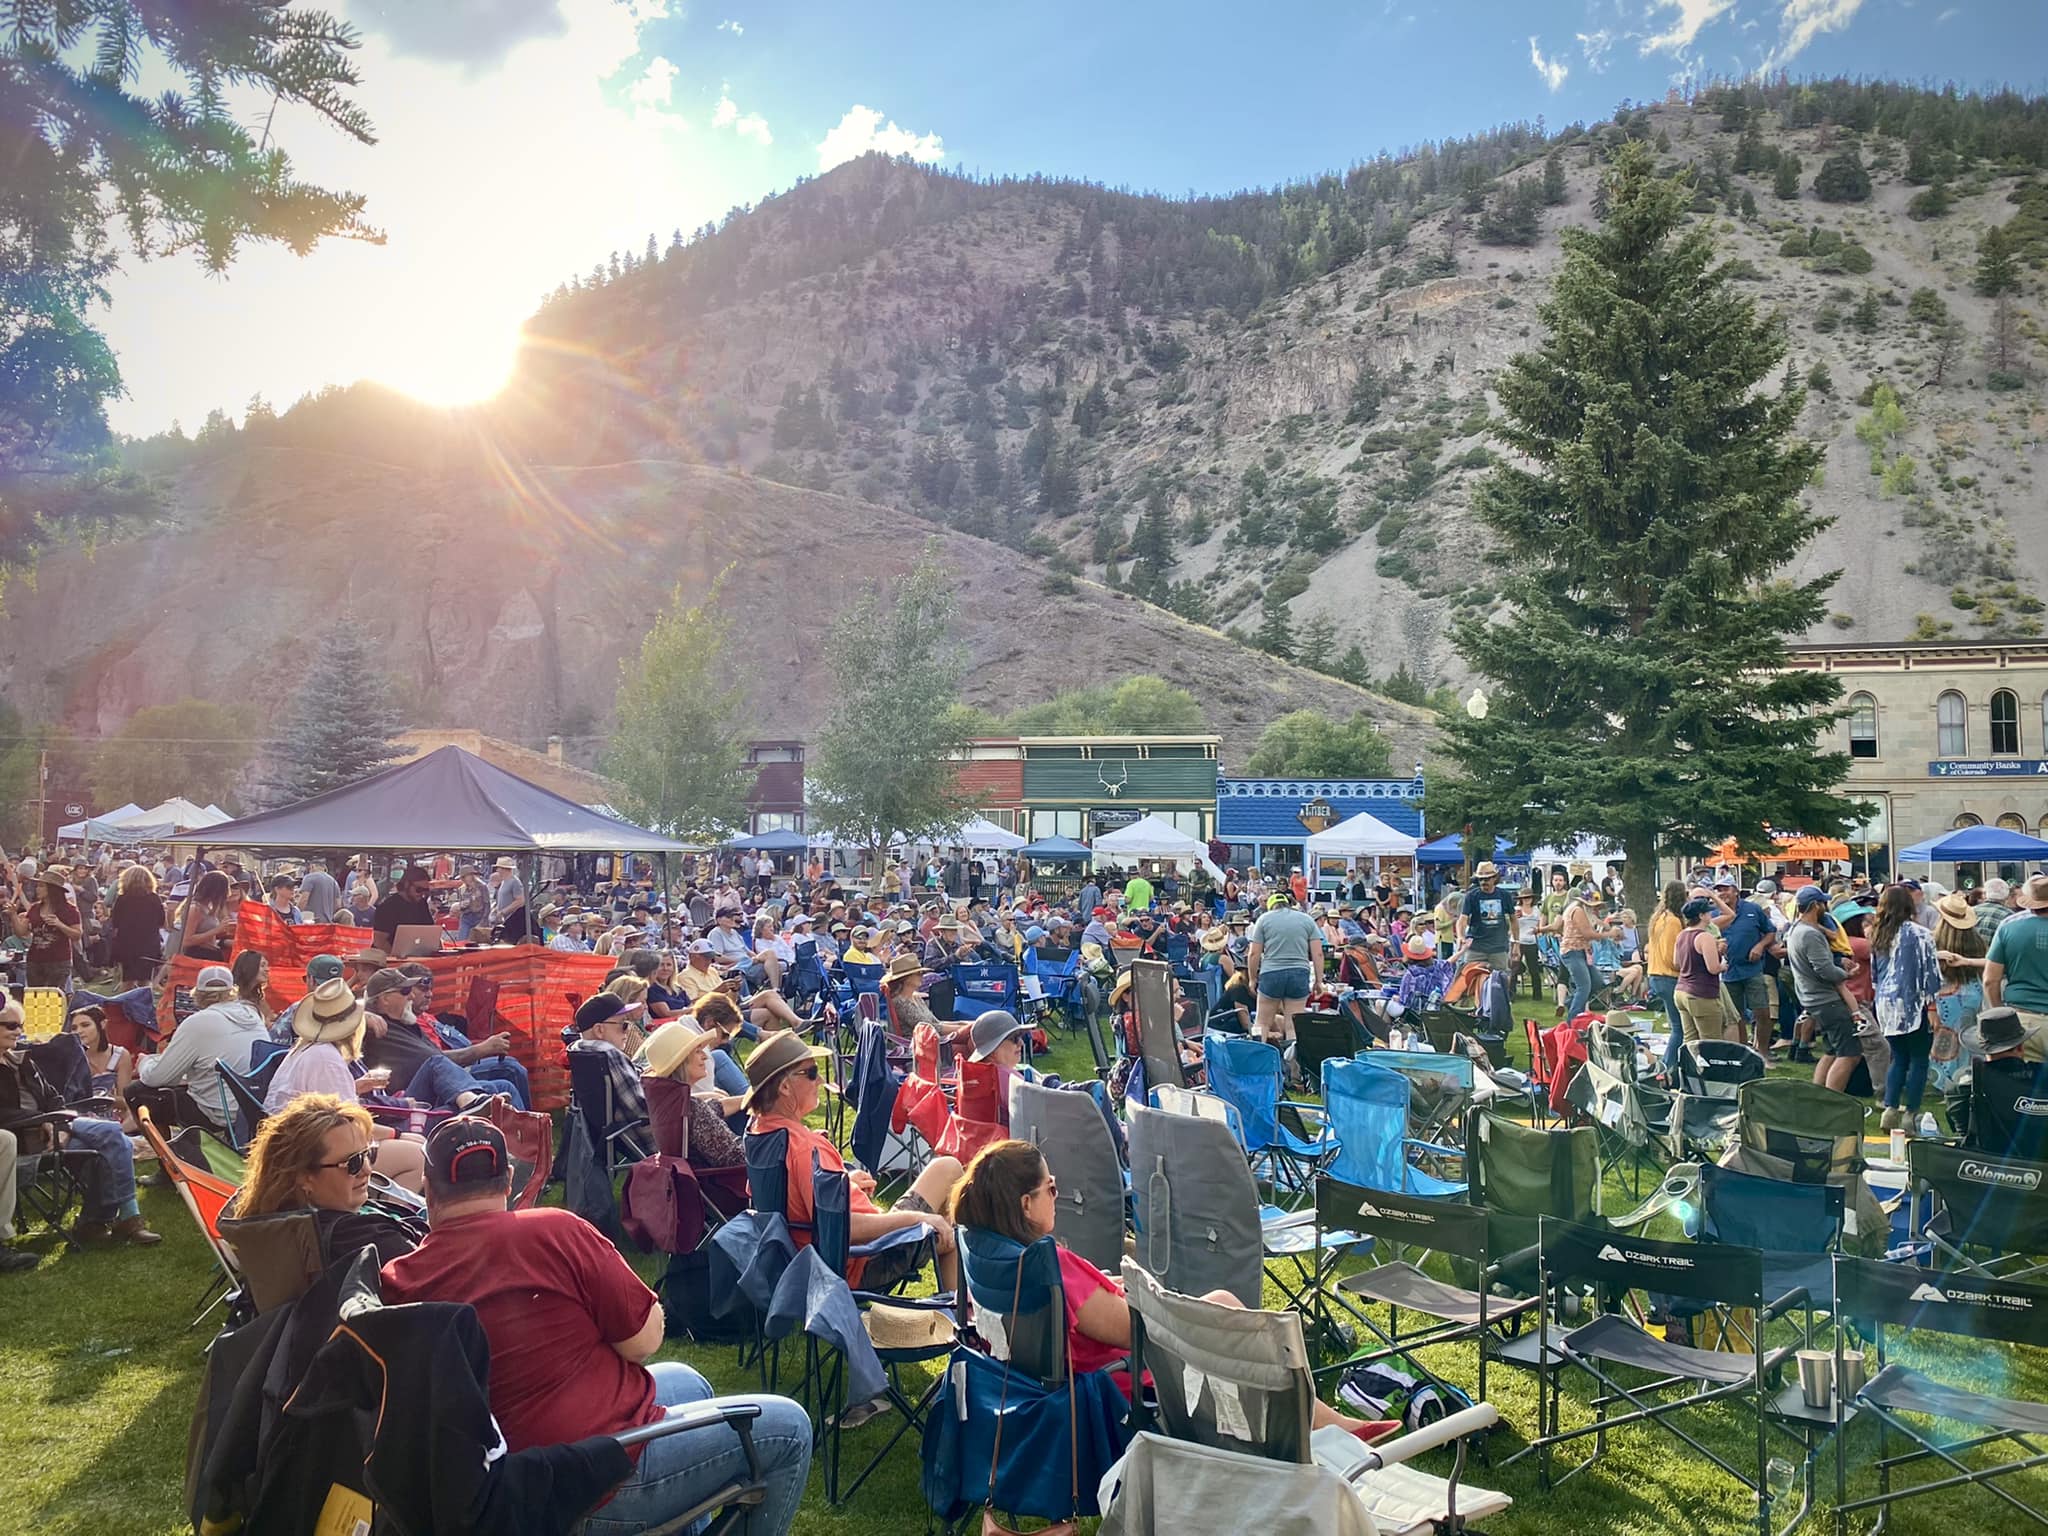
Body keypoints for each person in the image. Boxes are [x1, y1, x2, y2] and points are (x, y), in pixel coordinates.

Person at [381, 1117, 812, 1535]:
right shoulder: (554, 1229)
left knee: (688, 1381)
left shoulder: (400, 1277)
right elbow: (643, 1342)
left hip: (496, 1477)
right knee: (790, 1427)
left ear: (429, 1187)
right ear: (509, 1179)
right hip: (588, 1482)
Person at [946, 1140, 1395, 1437]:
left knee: (1221, 1309)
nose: (1057, 1195)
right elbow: (1142, 1330)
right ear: (1026, 1204)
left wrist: (1110, 1287)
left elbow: (1087, 1314)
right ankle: (1327, 1429)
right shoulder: (1051, 1265)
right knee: (1227, 1311)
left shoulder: (987, 1251)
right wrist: (1145, 1293)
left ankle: (1325, 1424)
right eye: (1051, 1187)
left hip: (1053, 1382)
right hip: (1119, 1389)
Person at [745, 1028, 964, 1292]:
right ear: (784, 1086)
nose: (820, 1080)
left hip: (808, 1259)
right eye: (812, 1073)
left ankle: (954, 1310)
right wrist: (917, 1220)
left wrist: (841, 1184)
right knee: (950, 1224)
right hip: (861, 1260)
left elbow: (783, 1193)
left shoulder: (760, 1133)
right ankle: (956, 1314)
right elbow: (846, 1228)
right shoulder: (804, 1148)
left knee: (947, 1167)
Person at [0, 998, 161, 1245]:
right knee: (112, 1135)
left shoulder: (21, 1060)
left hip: (53, 1127)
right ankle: (122, 1220)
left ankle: (93, 1224)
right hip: (23, 1138)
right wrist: (45, 1121)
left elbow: (54, 1098)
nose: (19, 1031)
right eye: (11, 1025)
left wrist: (58, 1126)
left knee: (111, 1146)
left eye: (20, 1025)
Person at [233, 1093, 422, 1265]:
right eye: (352, 1162)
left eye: (367, 1154)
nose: (367, 1169)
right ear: (304, 1178)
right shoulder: (363, 1240)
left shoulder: (281, 1225)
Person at [120, 964, 267, 1133]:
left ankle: (169, 1154)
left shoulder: (198, 1022)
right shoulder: (253, 1015)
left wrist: (144, 1063)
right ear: (231, 992)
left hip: (219, 1113)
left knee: (136, 1092)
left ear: (197, 994)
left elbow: (156, 1078)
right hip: (254, 1108)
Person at [361, 967, 530, 1110]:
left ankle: (527, 1137)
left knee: (504, 1081)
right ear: (384, 999)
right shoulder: (371, 1028)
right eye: (405, 991)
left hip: (442, 1083)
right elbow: (339, 1015)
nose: (411, 997)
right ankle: (472, 1105)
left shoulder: (407, 1022)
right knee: (504, 1075)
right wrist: (364, 1014)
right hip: (411, 1095)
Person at [1872, 883, 1944, 1135]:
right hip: (1915, 1004)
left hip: (1886, 1004)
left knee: (1898, 1058)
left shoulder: (1878, 934)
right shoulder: (1920, 934)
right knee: (1918, 1060)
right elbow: (1931, 974)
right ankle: (1911, 1112)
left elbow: (1875, 975)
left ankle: (1891, 1108)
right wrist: (1933, 1006)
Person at [640, 1020, 743, 1168]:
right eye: (697, 1051)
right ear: (681, 1062)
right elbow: (737, 1158)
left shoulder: (669, 1100)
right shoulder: (693, 1109)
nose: (705, 1056)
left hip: (694, 1182)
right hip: (725, 1185)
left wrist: (748, 1098)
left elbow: (710, 1109)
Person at [1787, 886, 1861, 1092]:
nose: (1825, 907)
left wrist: (1839, 963)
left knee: (1831, 1051)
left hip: (1812, 999)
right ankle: (1832, 1102)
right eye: (1822, 903)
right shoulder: (1810, 934)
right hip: (1826, 1000)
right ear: (1814, 906)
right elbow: (1824, 970)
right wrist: (1847, 974)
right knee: (1849, 1053)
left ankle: (1817, 1097)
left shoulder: (1795, 929)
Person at [1947, 1007, 2048, 1157]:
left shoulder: (1964, 1084)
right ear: (2021, 1046)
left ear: (1982, 1049)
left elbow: (1962, 1131)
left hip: (1985, 1170)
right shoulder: (2042, 1077)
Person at [1247, 892, 1322, 1047]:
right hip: (1299, 973)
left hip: (1271, 973)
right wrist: (1319, 981)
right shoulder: (1307, 920)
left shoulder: (1264, 919)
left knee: (1262, 1023)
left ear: (1271, 906)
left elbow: (1254, 953)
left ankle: (1258, 1064)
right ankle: (1294, 1068)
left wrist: (1252, 978)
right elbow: (1318, 953)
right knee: (1293, 1026)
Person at [566, 993, 649, 1134]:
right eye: (623, 1024)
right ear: (599, 1030)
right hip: (645, 1135)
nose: (628, 1030)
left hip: (614, 1136)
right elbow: (642, 1107)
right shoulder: (610, 1055)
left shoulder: (580, 1050)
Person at [1985, 874, 2048, 1057]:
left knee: (2022, 1083)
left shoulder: (2008, 927)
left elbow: (1990, 980)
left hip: (2022, 1020)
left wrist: (2000, 1014)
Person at [1712, 876, 1776, 1051]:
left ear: (1735, 891)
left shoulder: (1753, 909)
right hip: (1728, 971)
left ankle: (1762, 1051)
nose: (1721, 893)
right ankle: (1744, 1051)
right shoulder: (1714, 914)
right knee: (1736, 1015)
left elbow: (1770, 932)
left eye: (1725, 889)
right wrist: (1716, 948)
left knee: (1762, 1011)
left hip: (1752, 968)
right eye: (1718, 890)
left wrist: (1760, 946)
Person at [13, 865, 83, 989]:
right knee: (35, 998)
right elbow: (21, 932)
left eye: (41, 886)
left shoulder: (69, 910)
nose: (37, 889)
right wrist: (13, 915)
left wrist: (60, 924)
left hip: (59, 961)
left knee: (52, 1000)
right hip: (35, 961)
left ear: (52, 889)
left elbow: (77, 935)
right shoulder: (34, 909)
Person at [1672, 897, 1728, 1048]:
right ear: (1701, 916)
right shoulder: (1705, 937)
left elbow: (1676, 963)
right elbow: (1713, 968)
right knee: (1711, 1042)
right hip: (1701, 993)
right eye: (1708, 912)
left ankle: (1687, 1070)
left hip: (1681, 991)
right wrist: (1723, 964)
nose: (1711, 915)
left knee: (1689, 1040)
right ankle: (1709, 1071)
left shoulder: (1681, 935)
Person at [1646, 882, 1687, 1073]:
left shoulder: (1658, 917)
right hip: (1668, 976)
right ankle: (1667, 1068)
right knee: (1679, 1028)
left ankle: (1670, 1064)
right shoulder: (1673, 921)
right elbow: (1672, 956)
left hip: (1655, 974)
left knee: (1675, 1025)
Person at [107, 863, 167, 987]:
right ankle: (143, 1004)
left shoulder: (122, 899)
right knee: (145, 980)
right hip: (148, 944)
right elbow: (161, 922)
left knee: (127, 980)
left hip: (127, 944)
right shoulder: (154, 899)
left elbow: (115, 923)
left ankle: (126, 1004)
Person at [1455, 861, 1512, 975]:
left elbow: (1514, 920)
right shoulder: (1471, 896)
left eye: (1486, 879)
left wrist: (1516, 942)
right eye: (1480, 879)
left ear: (1494, 878)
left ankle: (1506, 993)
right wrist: (1461, 936)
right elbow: (1462, 920)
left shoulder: (1504, 895)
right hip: (1476, 946)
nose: (1483, 882)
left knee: (1502, 980)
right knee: (1464, 978)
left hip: (1498, 947)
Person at [171, 869, 236, 962]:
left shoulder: (208, 907)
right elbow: (186, 940)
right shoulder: (195, 909)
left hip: (212, 953)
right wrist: (217, 930)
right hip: (199, 955)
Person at [68, 1005, 131, 1099]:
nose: (79, 1031)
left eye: (85, 1025)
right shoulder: (70, 1058)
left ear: (102, 1024)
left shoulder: (119, 1055)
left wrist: (103, 1099)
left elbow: (125, 1100)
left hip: (113, 1112)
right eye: (74, 1028)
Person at [1557, 885, 1599, 1022]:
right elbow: (1587, 933)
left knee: (1596, 982)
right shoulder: (1575, 911)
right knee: (1583, 985)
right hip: (1571, 950)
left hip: (1580, 951)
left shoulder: (1580, 911)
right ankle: (1572, 1020)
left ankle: (1571, 1002)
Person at [487, 856, 529, 943]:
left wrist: (504, 911)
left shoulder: (515, 882)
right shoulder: (503, 882)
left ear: (504, 869)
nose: (497, 870)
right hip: (504, 920)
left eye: (498, 868)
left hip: (512, 920)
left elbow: (520, 901)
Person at [1514, 888, 1544, 1002]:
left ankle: (1537, 996)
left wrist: (1539, 930)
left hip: (1532, 941)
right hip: (1517, 941)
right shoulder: (1516, 910)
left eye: (1529, 897)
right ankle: (1511, 994)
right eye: (1524, 898)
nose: (1527, 900)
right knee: (1514, 968)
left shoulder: (1537, 911)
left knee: (1534, 969)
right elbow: (1511, 925)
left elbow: (1540, 924)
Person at [298, 856, 340, 925]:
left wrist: (296, 914)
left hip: (312, 923)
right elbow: (337, 905)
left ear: (312, 866)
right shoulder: (333, 881)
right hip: (328, 924)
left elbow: (304, 899)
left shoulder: (309, 878)